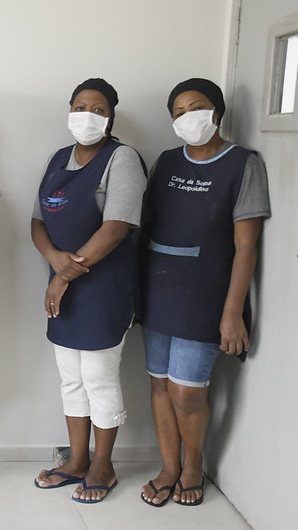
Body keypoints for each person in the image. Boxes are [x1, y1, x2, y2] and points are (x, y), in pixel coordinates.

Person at [138, 78, 270, 507]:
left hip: (207, 296)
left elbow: (246, 247)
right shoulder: (167, 162)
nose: (186, 117)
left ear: (217, 112)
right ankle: (169, 467)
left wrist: (233, 314)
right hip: (159, 290)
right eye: (177, 112)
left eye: (195, 107)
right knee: (159, 384)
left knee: (186, 391)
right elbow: (148, 224)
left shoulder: (243, 164)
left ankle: (192, 465)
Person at [30, 78, 147, 503]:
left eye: (97, 109)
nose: (87, 115)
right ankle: (77, 459)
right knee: (70, 378)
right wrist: (54, 262)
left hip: (103, 289)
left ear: (111, 115)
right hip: (61, 284)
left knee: (98, 376)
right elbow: (38, 222)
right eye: (80, 106)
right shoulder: (58, 159)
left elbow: (116, 227)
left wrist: (64, 272)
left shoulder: (123, 159)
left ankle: (103, 464)